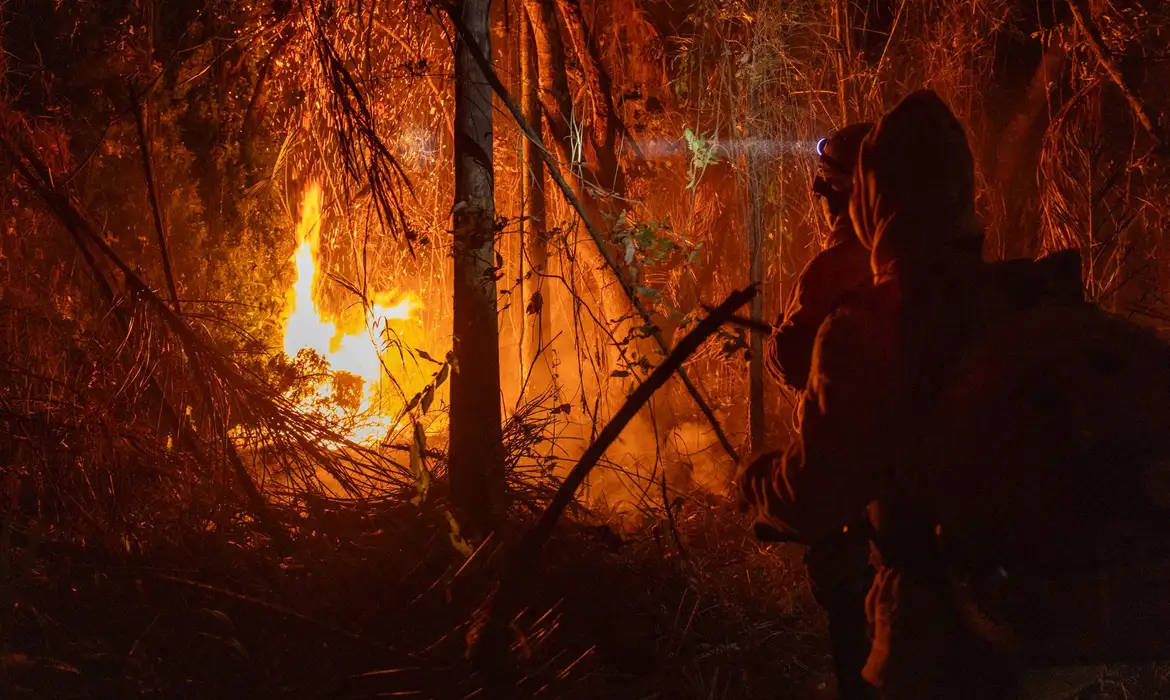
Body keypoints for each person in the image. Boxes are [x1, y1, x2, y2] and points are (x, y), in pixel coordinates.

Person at [742, 89, 1086, 699]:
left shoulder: (865, 325)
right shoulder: (1020, 302)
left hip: (932, 640)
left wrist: (759, 485)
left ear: (873, 202)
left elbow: (815, 490)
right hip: (1037, 636)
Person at [763, 122, 878, 700]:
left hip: (859, 518)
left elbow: (793, 361)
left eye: (830, 188)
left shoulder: (835, 273)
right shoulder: (951, 272)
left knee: (860, 654)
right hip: (946, 540)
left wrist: (765, 488)